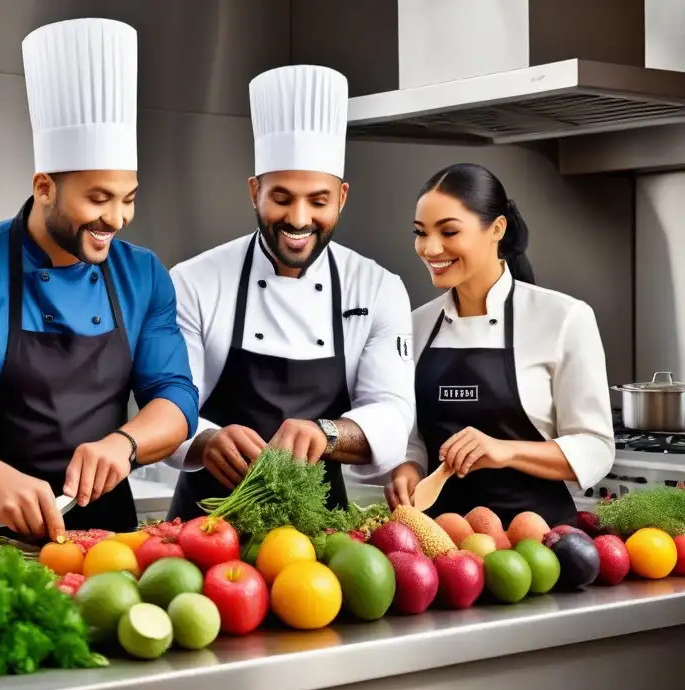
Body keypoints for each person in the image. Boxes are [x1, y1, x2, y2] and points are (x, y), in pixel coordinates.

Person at [0, 18, 199, 539]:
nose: (117, 219)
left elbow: (174, 396)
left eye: (128, 199)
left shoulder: (143, 275)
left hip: (110, 545)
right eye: (97, 199)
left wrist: (122, 444)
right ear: (44, 187)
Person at [165, 64, 416, 520]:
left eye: (317, 201)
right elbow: (168, 404)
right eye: (281, 197)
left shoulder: (378, 288)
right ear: (254, 192)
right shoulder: (193, 281)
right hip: (203, 530)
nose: (299, 219)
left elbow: (393, 416)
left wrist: (327, 434)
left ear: (341, 197)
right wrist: (206, 439)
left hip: (323, 540)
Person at [385, 163, 615, 526]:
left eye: (448, 231)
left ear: (497, 229)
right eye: (420, 232)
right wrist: (409, 466)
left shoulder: (564, 318)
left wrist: (504, 451)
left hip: (541, 547)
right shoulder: (415, 325)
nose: (430, 248)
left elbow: (596, 448)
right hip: (442, 550)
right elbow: (414, 438)